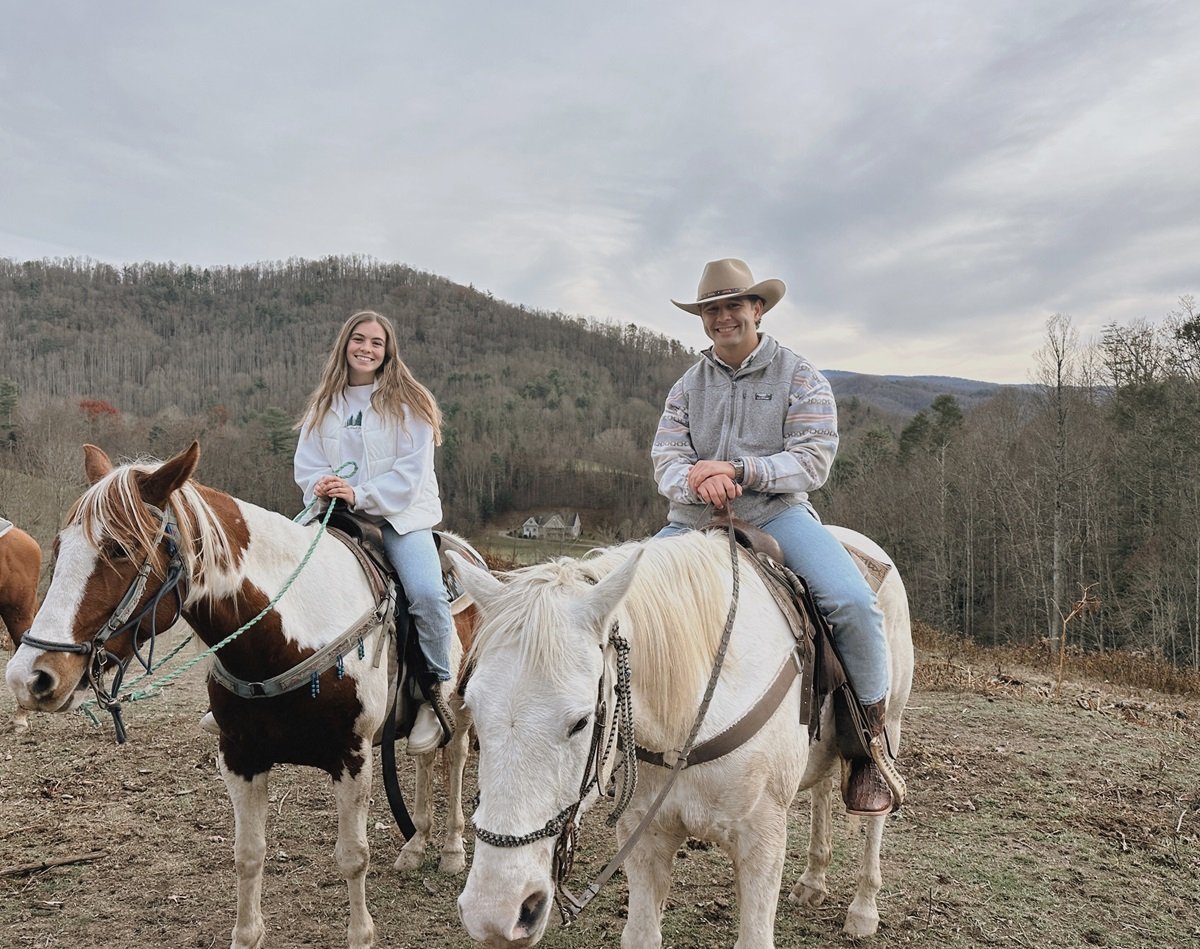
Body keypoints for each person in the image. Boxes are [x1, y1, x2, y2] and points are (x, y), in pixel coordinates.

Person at [651, 258, 901, 816]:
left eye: (733, 307)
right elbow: (665, 457)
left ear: (756, 310)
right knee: (623, 602)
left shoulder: (800, 376)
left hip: (775, 515)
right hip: (693, 521)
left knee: (854, 602)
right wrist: (693, 478)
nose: (722, 319)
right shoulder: (687, 388)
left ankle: (868, 745)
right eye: (712, 310)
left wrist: (739, 472)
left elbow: (813, 460)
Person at [294, 309, 455, 755]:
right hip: (336, 508)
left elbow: (411, 475)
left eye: (376, 343)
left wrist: (358, 491)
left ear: (388, 352)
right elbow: (307, 464)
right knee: (281, 572)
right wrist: (320, 485)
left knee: (425, 593)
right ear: (345, 344)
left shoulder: (411, 402)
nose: (366, 348)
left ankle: (434, 694)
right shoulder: (324, 404)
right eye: (359, 340)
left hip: (398, 516)